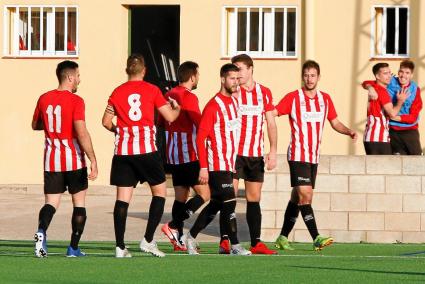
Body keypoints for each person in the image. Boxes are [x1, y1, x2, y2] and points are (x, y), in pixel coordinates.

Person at [102, 54, 180, 258]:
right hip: (146, 150)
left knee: (122, 200)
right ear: (144, 70)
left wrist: (118, 130)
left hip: (123, 152)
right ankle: (147, 240)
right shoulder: (152, 90)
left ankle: (120, 247)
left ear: (127, 70)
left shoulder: (117, 92)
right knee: (160, 194)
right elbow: (170, 117)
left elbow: (105, 121)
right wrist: (177, 109)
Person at [273, 60, 357, 251]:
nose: (309, 79)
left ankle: (282, 237)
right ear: (302, 77)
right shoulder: (293, 98)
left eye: (313, 75)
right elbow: (274, 112)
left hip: (313, 157)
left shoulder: (325, 99)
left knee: (297, 197)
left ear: (319, 77)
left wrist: (349, 131)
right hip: (297, 154)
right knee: (306, 196)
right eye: (306, 75)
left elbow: (334, 122)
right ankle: (316, 237)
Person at [181, 63, 251, 256]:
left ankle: (190, 237)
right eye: (231, 78)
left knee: (217, 204)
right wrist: (203, 167)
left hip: (230, 163)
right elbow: (200, 138)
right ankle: (235, 244)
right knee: (230, 201)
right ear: (222, 79)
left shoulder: (235, 103)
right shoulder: (213, 106)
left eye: (238, 79)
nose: (236, 82)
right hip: (215, 164)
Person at [32, 60, 98, 258]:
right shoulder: (76, 101)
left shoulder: (44, 98)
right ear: (70, 77)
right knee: (79, 203)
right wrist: (93, 158)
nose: (79, 79)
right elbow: (81, 132)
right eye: (77, 76)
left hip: (51, 159)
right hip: (74, 159)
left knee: (51, 202)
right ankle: (73, 248)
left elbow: (35, 124)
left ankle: (42, 232)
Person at [217, 54, 277, 255]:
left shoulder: (264, 92)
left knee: (254, 199)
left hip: (255, 155)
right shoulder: (233, 92)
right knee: (229, 198)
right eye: (234, 70)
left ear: (250, 69)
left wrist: (273, 150)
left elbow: (270, 122)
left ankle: (256, 242)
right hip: (234, 154)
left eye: (240, 69)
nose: (237, 74)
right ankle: (225, 240)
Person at [160, 61, 210, 251]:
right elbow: (200, 123)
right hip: (188, 153)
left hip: (173, 154)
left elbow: (161, 121)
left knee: (181, 197)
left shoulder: (168, 94)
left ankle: (178, 239)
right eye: (197, 74)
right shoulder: (189, 97)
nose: (198, 78)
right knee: (205, 194)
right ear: (192, 76)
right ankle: (173, 225)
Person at [363, 60, 422, 155]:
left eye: (407, 73)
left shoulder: (415, 90)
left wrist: (395, 117)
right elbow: (367, 82)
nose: (403, 75)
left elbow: (413, 117)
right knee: (396, 162)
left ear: (411, 75)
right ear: (398, 72)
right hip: (392, 130)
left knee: (416, 160)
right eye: (401, 72)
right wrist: (370, 88)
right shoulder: (390, 81)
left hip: (409, 130)